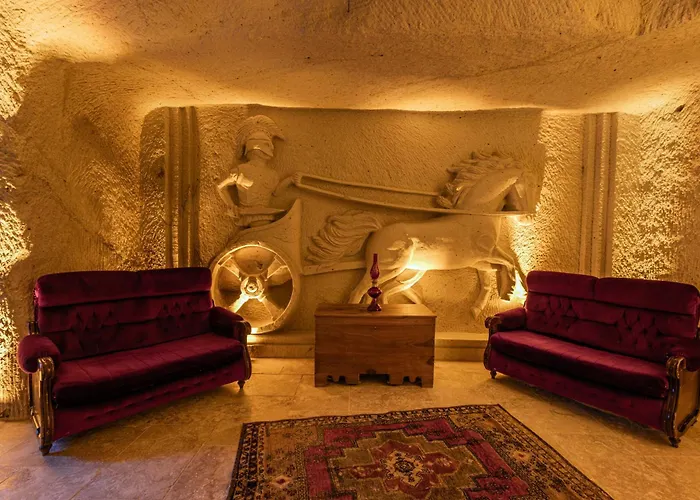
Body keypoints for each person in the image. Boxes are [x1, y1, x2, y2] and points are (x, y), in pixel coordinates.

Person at [217, 115, 286, 227]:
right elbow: (221, 187)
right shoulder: (241, 170)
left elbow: (276, 192)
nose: (272, 147)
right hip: (249, 215)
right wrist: (231, 205)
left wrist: (290, 180)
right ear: (255, 146)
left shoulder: (272, 174)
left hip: (266, 214)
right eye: (267, 144)